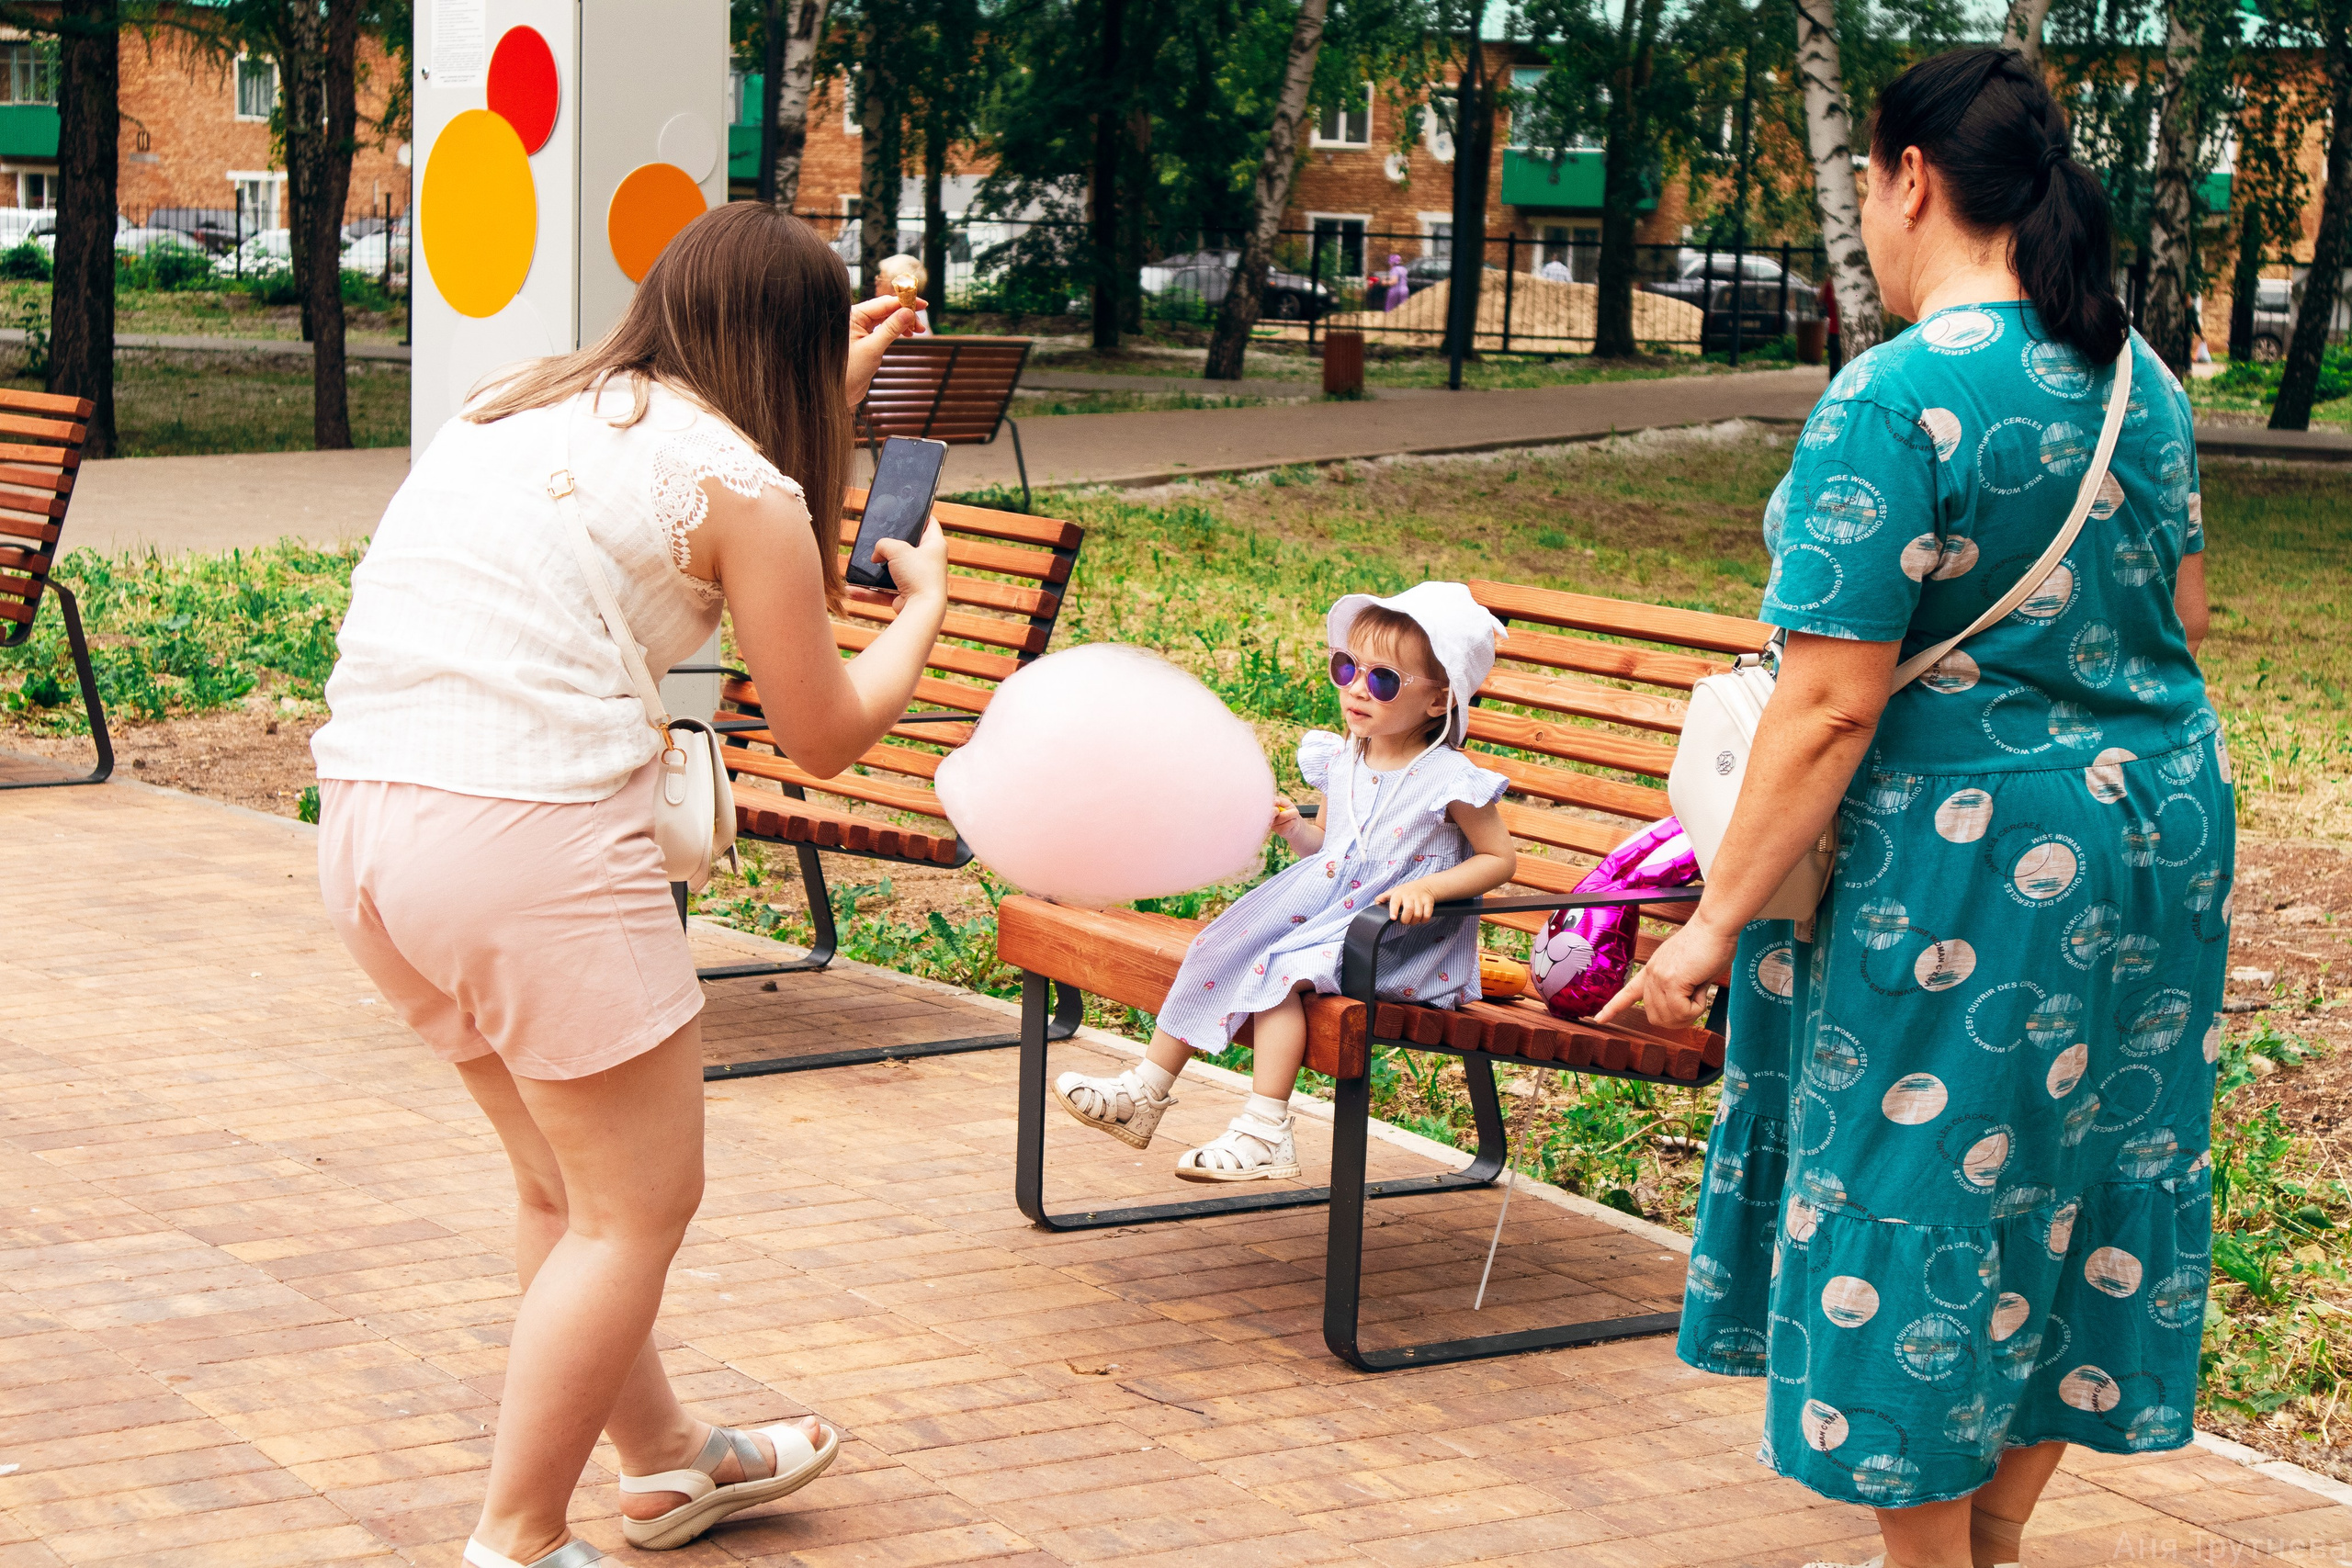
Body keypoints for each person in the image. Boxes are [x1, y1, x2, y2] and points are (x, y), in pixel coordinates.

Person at [1599, 48, 2230, 1568]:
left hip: (1968, 865)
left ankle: (1932, 1562)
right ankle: (1991, 1538)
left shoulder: (1894, 397)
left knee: (1918, 1188)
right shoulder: (2138, 378)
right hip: (2159, 837)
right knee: (2089, 1177)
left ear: (1910, 178)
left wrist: (1705, 932)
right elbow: (2190, 618)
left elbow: (1829, 704)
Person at [310, 204, 945, 1568]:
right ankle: (519, 1540)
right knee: (630, 1211)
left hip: (369, 829)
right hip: (527, 848)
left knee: (564, 1190)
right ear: (792, 350)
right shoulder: (751, 494)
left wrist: (827, 368)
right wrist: (924, 612)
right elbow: (825, 732)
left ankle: (665, 1461)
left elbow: (681, 457)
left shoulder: (512, 406)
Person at [1052, 582, 1520, 1179]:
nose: (1356, 688)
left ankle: (1265, 1130)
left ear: (1438, 701)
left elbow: (1499, 859)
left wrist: (1431, 888)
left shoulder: (1449, 777)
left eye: (1383, 680)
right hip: (1332, 914)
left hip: (1394, 941)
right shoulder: (1346, 757)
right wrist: (1293, 828)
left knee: (1279, 972)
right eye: (1347, 667)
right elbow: (1328, 846)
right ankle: (1145, 1091)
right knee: (1221, 943)